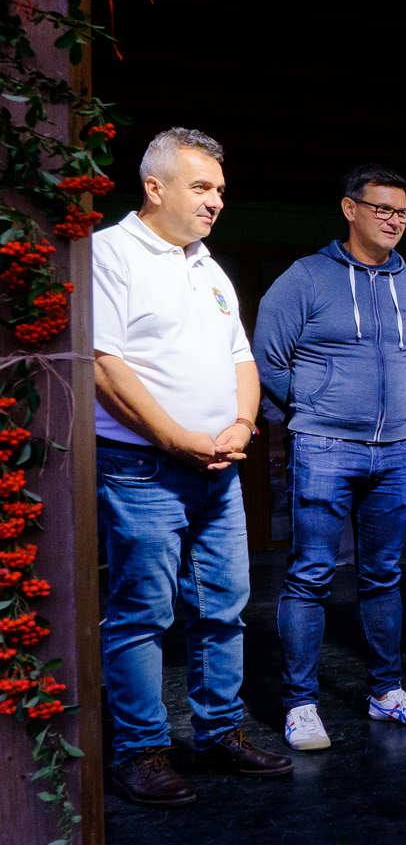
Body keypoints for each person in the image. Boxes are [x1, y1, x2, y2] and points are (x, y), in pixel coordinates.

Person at [94, 127, 293, 806]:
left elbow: (242, 358)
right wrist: (175, 437)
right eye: (201, 187)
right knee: (142, 613)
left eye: (221, 191)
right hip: (142, 467)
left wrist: (241, 424)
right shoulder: (110, 253)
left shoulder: (207, 266)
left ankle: (218, 734)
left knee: (224, 606)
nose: (215, 202)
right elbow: (103, 365)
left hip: (218, 468)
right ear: (155, 187)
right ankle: (141, 751)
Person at [254, 164, 406, 751]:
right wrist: (315, 407)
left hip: (396, 450)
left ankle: (386, 693)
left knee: (383, 574)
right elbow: (268, 359)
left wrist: (390, 406)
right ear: (349, 209)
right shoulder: (306, 278)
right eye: (382, 208)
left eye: (402, 212)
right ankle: (300, 705)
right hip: (323, 447)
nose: (394, 220)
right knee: (310, 575)